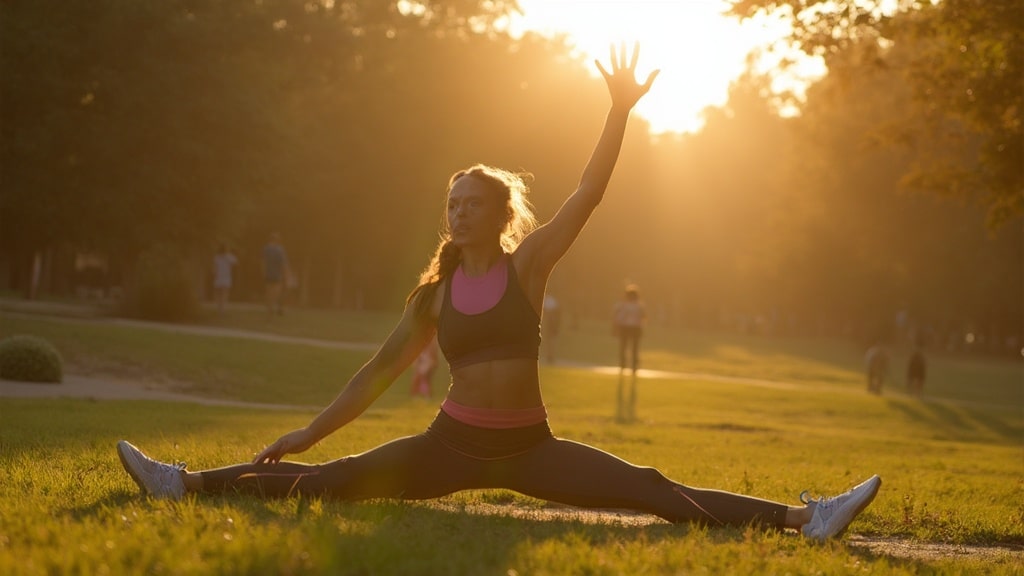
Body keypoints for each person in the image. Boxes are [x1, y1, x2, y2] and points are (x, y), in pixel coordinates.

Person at [116, 44, 880, 541]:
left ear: (500, 213)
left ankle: (803, 518)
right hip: (448, 445)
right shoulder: (435, 295)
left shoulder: (528, 268)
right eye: (451, 204)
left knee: (650, 489)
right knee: (326, 482)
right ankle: (180, 483)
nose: (458, 212)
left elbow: (587, 193)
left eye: (471, 203)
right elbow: (372, 376)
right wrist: (308, 434)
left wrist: (617, 112)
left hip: (530, 448)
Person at [613, 284, 646, 375]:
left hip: (632, 328)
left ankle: (632, 365)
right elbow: (618, 316)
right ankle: (625, 364)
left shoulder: (637, 305)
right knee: (625, 347)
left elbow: (643, 317)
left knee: (632, 348)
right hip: (627, 327)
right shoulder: (625, 305)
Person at [263, 232, 290, 316]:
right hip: (277, 274)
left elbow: (263, 262)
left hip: (268, 273)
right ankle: (276, 307)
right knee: (276, 292)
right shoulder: (280, 250)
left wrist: (263, 272)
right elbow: (283, 263)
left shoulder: (266, 249)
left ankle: (269, 309)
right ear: (278, 240)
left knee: (268, 292)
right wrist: (286, 274)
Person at [212, 243, 238, 313]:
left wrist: (214, 275)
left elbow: (214, 268)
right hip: (226, 277)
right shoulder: (228, 257)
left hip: (219, 277)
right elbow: (235, 262)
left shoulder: (217, 257)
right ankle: (222, 308)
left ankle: (220, 308)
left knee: (219, 294)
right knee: (224, 294)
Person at [541, 293, 562, 364]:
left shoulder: (554, 317)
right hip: (550, 327)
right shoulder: (551, 302)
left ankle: (550, 356)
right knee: (549, 342)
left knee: (551, 342)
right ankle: (549, 356)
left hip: (552, 328)